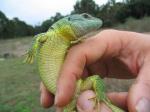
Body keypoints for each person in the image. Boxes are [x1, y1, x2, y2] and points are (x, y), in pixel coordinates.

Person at [40, 29, 150, 112]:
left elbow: (96, 79)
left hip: (77, 89)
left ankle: (100, 95)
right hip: (73, 96)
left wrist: (100, 95)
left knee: (95, 80)